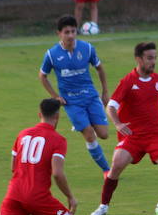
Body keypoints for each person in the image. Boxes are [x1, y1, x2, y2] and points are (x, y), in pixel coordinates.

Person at [90, 42, 158, 215]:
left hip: (156, 134)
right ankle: (103, 206)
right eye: (149, 58)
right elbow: (111, 106)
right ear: (138, 59)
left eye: (155, 58)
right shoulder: (128, 81)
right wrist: (118, 124)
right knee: (116, 166)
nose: (153, 62)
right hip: (133, 136)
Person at [39, 15, 111, 174]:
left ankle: (84, 122)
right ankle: (107, 171)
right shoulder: (52, 54)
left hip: (91, 97)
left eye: (73, 31)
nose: (71, 35)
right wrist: (55, 96)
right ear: (59, 33)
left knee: (104, 134)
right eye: (67, 32)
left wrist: (105, 91)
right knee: (90, 136)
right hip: (71, 102)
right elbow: (42, 76)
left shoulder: (87, 48)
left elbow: (99, 68)